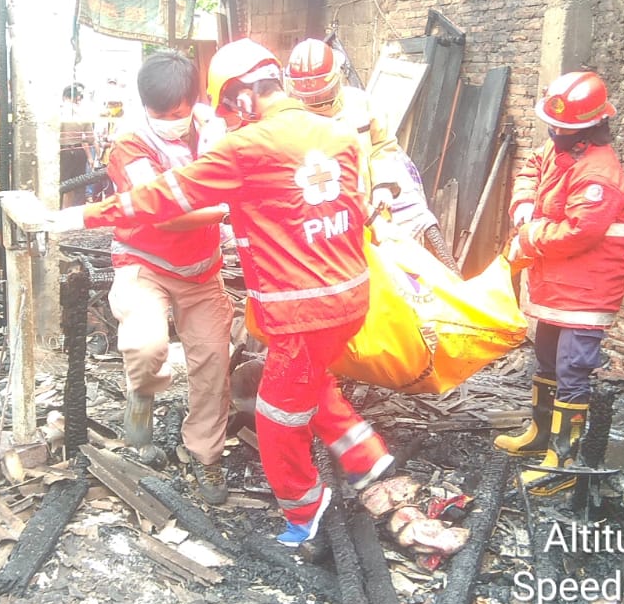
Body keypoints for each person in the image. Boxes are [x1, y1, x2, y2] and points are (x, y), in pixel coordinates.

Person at [49, 39, 395, 548]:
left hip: (296, 306)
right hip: (347, 299)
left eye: (226, 107)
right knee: (307, 381)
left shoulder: (242, 146)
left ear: (238, 99)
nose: (227, 117)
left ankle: (305, 510)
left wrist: (75, 216)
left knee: (277, 414)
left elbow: (164, 198)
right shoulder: (337, 136)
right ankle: (366, 457)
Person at [493, 70, 624, 495]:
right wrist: (522, 204)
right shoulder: (561, 149)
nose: (553, 132)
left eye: (562, 127)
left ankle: (563, 458)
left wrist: (529, 235)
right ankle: (540, 435)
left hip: (587, 290)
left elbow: (578, 232)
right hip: (559, 284)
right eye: (552, 125)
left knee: (573, 369)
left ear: (590, 126)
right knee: (547, 357)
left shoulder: (600, 175)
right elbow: (532, 167)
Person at [104, 50, 233, 505]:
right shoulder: (129, 144)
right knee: (145, 344)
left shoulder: (213, 127)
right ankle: (142, 393)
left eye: (177, 113)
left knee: (214, 362)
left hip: (202, 272)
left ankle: (206, 455)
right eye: (159, 114)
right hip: (144, 263)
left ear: (192, 103)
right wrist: (222, 208)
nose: (169, 121)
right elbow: (162, 215)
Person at [285, 38, 458, 271]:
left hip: (374, 211)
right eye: (309, 98)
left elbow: (383, 147)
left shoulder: (360, 104)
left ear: (336, 78)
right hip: (327, 225)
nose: (316, 103)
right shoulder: (290, 122)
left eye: (321, 95)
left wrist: (383, 185)